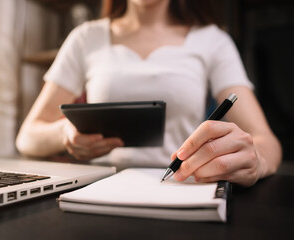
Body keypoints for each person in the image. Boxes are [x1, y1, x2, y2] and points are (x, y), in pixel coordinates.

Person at [16, 0, 282, 187]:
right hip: (99, 189)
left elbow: (266, 141)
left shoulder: (212, 40)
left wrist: (255, 160)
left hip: (182, 186)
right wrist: (64, 134)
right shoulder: (86, 37)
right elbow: (27, 137)